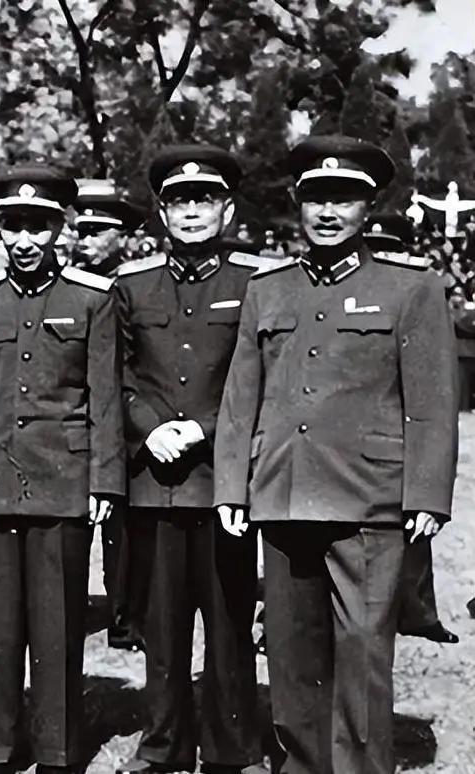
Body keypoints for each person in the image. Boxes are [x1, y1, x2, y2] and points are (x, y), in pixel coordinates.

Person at [215, 135, 459, 774]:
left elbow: (432, 402)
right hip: (284, 493)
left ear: (368, 207)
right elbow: (241, 398)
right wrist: (231, 488)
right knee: (291, 652)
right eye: (316, 198)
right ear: (298, 202)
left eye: (344, 198)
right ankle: (302, 764)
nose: (328, 212)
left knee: (362, 652)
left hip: (369, 501)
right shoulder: (269, 289)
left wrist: (427, 495)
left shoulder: (410, 288)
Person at [0, 165, 125, 774]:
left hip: (62, 481)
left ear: (59, 229)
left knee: (57, 626)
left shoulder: (91, 299)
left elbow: (105, 398)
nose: (24, 241)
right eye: (13, 227)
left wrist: (104, 481)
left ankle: (56, 748)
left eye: (38, 227)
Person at [114, 146, 266, 774]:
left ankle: (233, 747)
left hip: (222, 483)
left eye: (205, 200)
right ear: (162, 212)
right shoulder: (131, 285)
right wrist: (148, 429)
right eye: (179, 201)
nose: (193, 212)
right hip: (155, 482)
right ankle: (163, 745)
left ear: (227, 210)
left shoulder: (255, 283)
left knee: (229, 623)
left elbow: (258, 377)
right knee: (162, 627)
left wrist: (201, 430)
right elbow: (118, 374)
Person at [364, 215, 460, 646]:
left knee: (415, 527)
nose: (382, 256)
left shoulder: (419, 291)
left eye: (390, 248)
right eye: (374, 247)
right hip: (353, 432)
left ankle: (418, 610)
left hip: (405, 429)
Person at [70, 183, 143, 651]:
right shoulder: (71, 286)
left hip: (129, 418)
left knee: (124, 528)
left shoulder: (133, 285)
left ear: (123, 237)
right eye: (82, 231)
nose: (87, 240)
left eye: (98, 231)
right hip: (79, 418)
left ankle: (125, 616)